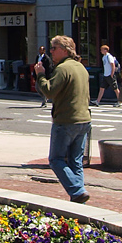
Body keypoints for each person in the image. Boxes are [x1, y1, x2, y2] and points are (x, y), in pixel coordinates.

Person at [35, 35, 91, 203]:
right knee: (75, 161)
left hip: (66, 120)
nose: (51, 51)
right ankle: (77, 195)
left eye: (54, 48)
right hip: (84, 120)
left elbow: (49, 91)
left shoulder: (63, 69)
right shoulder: (80, 67)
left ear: (65, 50)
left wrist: (40, 75)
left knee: (56, 159)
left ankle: (77, 190)